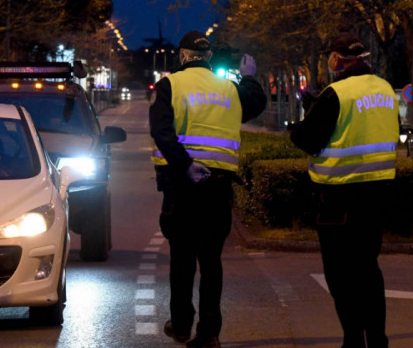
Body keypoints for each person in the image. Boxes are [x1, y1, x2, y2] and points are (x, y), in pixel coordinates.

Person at [149, 30, 266, 348]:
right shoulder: (229, 88)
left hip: (182, 185)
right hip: (218, 187)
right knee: (212, 262)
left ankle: (183, 326)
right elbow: (255, 104)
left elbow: (161, 132)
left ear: (183, 55)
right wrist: (249, 77)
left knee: (182, 260)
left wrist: (185, 165)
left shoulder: (169, 85)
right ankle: (210, 333)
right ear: (210, 57)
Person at [290, 32, 398, 348]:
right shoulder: (386, 90)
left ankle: (353, 341)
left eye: (330, 57)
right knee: (368, 269)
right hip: (377, 194)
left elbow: (307, 140)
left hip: (340, 197)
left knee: (340, 275)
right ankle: (378, 339)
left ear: (338, 59)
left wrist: (309, 113)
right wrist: (319, 108)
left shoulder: (336, 93)